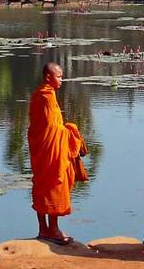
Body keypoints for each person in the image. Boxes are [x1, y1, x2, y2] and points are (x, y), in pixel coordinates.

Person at [28, 62, 88, 245]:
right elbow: (52, 128)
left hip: (42, 149)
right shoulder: (46, 97)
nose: (62, 79)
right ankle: (52, 230)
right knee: (54, 183)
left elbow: (40, 127)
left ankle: (42, 229)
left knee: (41, 184)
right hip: (50, 151)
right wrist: (71, 131)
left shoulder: (38, 95)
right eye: (59, 76)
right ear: (48, 77)